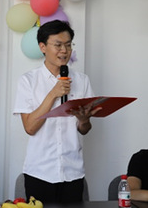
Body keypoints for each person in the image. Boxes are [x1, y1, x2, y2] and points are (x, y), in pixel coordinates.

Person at [13, 20, 99, 204]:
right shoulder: (28, 81)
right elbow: (30, 127)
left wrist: (84, 120)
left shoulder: (82, 80)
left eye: (68, 45)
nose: (64, 51)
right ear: (42, 47)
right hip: (39, 172)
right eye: (58, 45)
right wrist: (53, 94)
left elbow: (84, 129)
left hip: (73, 172)